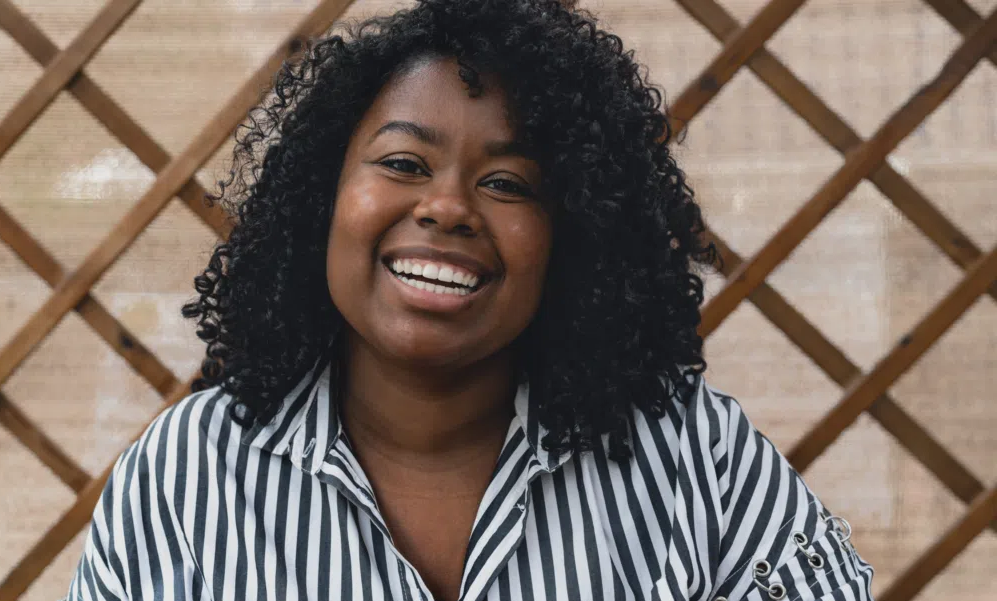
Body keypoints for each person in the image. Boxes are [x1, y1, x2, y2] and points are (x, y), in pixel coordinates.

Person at [65, 1, 875, 599]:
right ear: (321, 199)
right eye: (405, 164)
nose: (448, 207)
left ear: (575, 236)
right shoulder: (186, 478)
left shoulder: (697, 460)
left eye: (507, 183)